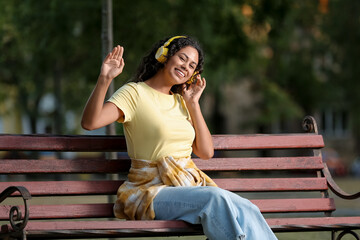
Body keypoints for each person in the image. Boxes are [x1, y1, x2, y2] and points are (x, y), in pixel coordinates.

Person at [81, 36, 277, 240]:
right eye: (182, 58)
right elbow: (90, 123)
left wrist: (193, 104)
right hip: (148, 192)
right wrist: (105, 79)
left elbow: (206, 152)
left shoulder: (182, 102)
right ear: (164, 56)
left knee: (248, 208)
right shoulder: (134, 93)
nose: (186, 66)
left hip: (184, 187)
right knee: (215, 199)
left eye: (192, 65)